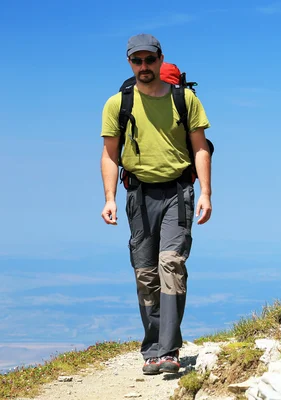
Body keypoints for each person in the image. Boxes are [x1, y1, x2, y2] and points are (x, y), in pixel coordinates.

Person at [99, 33, 212, 375]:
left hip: (178, 193)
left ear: (161, 59)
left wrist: (206, 191)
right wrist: (109, 199)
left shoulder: (185, 99)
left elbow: (200, 146)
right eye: (138, 60)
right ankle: (152, 350)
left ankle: (169, 350)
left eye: (150, 59)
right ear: (130, 63)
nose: (144, 66)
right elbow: (109, 154)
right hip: (138, 194)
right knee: (146, 273)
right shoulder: (117, 103)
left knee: (171, 265)